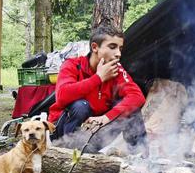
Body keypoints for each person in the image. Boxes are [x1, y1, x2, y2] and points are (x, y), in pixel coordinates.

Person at [48, 24, 147, 153]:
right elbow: (62, 97)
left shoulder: (116, 70)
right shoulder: (72, 65)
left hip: (93, 131)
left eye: (120, 48)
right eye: (112, 47)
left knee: (132, 110)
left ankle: (141, 159)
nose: (118, 54)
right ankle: (69, 156)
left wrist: (106, 117)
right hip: (63, 134)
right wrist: (98, 78)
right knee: (80, 106)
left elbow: (137, 96)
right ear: (95, 47)